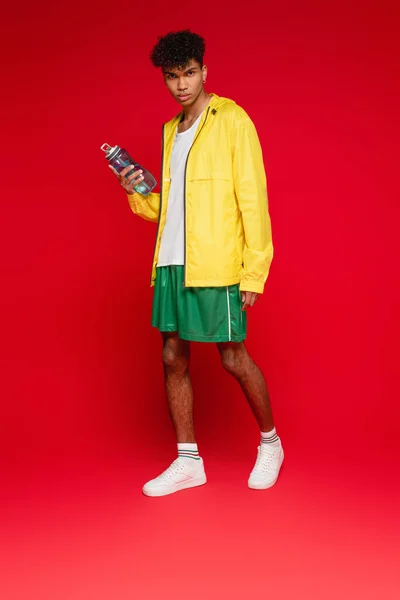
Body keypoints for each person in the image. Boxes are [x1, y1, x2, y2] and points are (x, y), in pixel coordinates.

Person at [109, 30, 284, 497]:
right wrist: (137, 191)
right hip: (170, 260)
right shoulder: (171, 130)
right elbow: (173, 208)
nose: (182, 84)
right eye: (173, 77)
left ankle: (271, 443)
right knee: (172, 357)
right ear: (164, 80)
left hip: (216, 261)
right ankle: (189, 461)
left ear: (205, 71)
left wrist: (254, 270)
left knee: (232, 356)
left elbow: (253, 196)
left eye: (189, 73)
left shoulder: (232, 119)